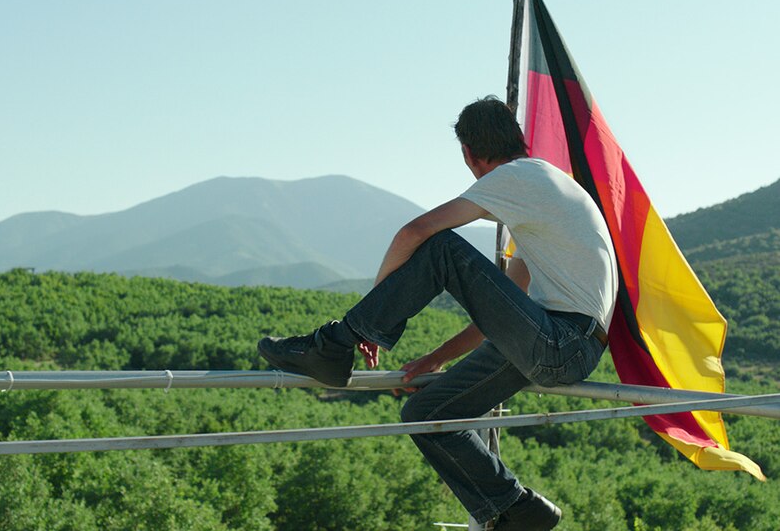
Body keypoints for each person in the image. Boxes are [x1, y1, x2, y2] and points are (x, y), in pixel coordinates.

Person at [258, 95, 617, 530]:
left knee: (443, 246)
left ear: (468, 153)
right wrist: (437, 359)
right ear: (515, 138)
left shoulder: (515, 177)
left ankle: (331, 345)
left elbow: (415, 231)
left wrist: (369, 321)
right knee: (426, 413)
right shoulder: (545, 189)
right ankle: (518, 507)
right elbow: (507, 306)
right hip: (564, 345)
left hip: (559, 342)